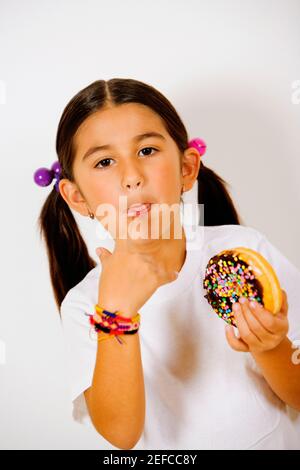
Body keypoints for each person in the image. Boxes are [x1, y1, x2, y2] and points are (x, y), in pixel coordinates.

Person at [35, 78, 300, 450]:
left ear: (187, 168)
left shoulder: (245, 250)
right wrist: (116, 315)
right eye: (105, 162)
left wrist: (270, 346)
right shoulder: (86, 305)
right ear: (77, 197)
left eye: (146, 150)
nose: (131, 177)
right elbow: (120, 434)